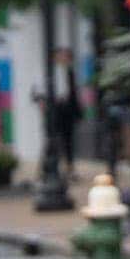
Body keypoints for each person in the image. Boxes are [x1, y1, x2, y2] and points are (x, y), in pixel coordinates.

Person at [47, 47, 82, 177]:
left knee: (69, 140)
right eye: (61, 56)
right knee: (54, 139)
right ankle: (54, 167)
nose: (63, 59)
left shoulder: (70, 72)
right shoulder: (51, 73)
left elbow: (74, 93)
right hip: (56, 110)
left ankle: (70, 167)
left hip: (68, 111)